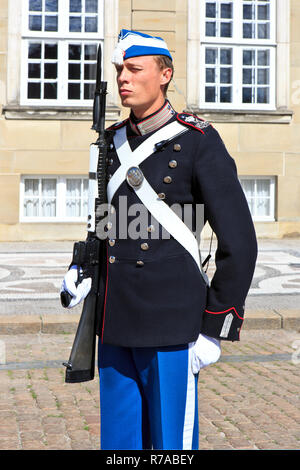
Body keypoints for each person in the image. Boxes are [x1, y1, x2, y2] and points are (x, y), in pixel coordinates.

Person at [61, 29, 258, 450]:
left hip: (173, 325)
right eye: (120, 70)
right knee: (121, 443)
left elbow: (239, 243)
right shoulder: (111, 141)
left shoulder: (198, 141)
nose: (123, 79)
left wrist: (214, 327)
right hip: (115, 323)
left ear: (165, 74)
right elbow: (106, 218)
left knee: (171, 445)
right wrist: (81, 265)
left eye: (135, 69)